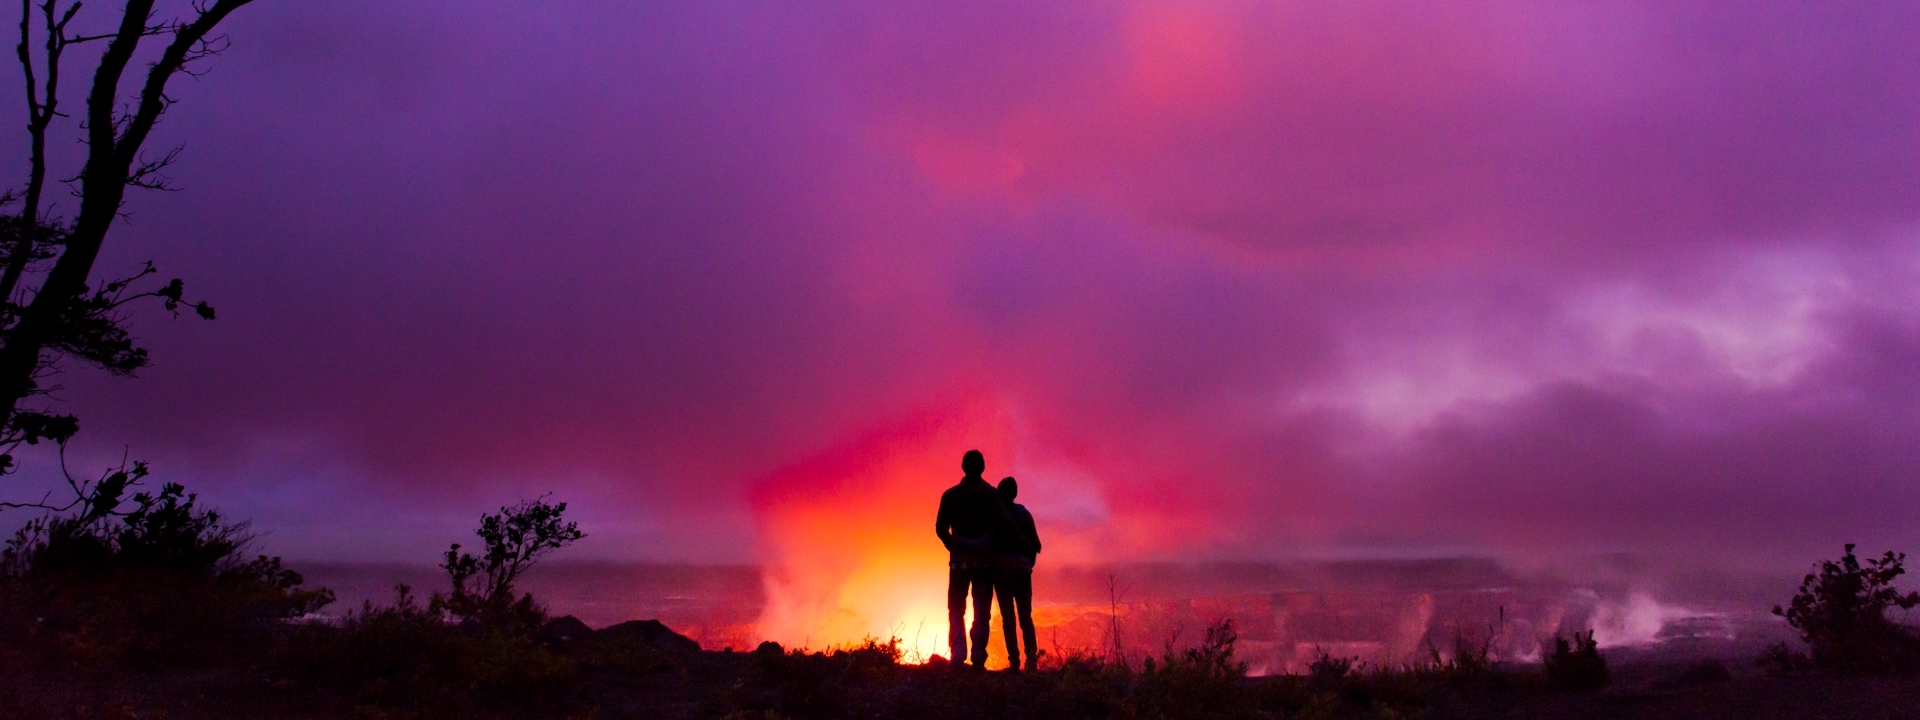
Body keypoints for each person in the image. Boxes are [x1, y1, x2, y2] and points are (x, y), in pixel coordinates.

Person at [934, 449, 1016, 668]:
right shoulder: (991, 495)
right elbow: (1005, 524)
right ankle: (978, 655)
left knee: (956, 609)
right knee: (982, 611)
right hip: (984, 564)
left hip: (958, 563)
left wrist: (954, 545)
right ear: (982, 467)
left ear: (963, 467)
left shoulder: (950, 495)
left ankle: (958, 655)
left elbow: (940, 529)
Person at [992, 476, 1041, 671]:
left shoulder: (995, 515)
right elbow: (1036, 545)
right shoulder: (1024, 514)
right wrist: (1028, 565)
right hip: (1022, 572)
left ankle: (1014, 662)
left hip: (1002, 572)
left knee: (1008, 619)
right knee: (1025, 618)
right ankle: (1031, 661)